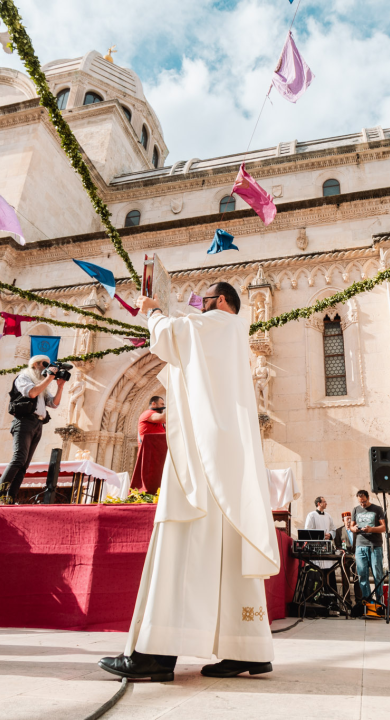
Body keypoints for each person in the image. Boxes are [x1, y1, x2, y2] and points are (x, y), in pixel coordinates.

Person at [99, 281, 279, 682]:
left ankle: (155, 656)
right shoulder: (233, 334)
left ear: (221, 301)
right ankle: (247, 649)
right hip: (225, 456)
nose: (199, 306)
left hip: (200, 454)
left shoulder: (218, 323)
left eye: (204, 300)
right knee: (230, 549)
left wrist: (153, 309)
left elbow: (168, 335)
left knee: (179, 541)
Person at [0, 355, 64, 503]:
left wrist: (60, 386)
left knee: (24, 464)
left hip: (37, 424)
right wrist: (49, 378)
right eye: (44, 364)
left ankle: (10, 498)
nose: (47, 367)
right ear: (34, 365)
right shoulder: (24, 378)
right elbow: (31, 393)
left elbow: (54, 404)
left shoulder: (41, 384)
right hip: (23, 421)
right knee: (19, 459)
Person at [348, 489, 386, 606]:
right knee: (362, 575)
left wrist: (371, 529)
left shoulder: (377, 509)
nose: (362, 504)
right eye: (360, 502)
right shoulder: (356, 509)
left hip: (375, 546)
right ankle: (368, 602)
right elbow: (351, 526)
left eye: (364, 501)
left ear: (368, 498)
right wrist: (355, 529)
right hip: (360, 546)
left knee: (377, 575)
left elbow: (384, 527)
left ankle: (379, 602)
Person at [131, 395, 167, 494]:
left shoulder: (159, 423)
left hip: (158, 454)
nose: (163, 406)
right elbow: (163, 418)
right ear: (153, 404)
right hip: (148, 455)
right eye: (162, 404)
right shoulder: (148, 413)